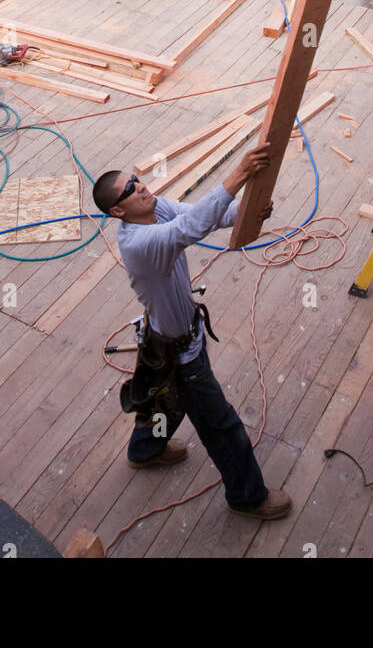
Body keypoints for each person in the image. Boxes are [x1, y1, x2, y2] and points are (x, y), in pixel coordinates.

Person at [92, 144, 292, 521]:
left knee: (161, 396)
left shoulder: (154, 210)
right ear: (117, 212)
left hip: (163, 339)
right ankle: (248, 498)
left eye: (135, 180)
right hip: (181, 352)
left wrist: (246, 213)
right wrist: (239, 175)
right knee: (221, 425)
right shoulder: (141, 244)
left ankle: (144, 451)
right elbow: (189, 228)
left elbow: (199, 215)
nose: (140, 187)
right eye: (128, 191)